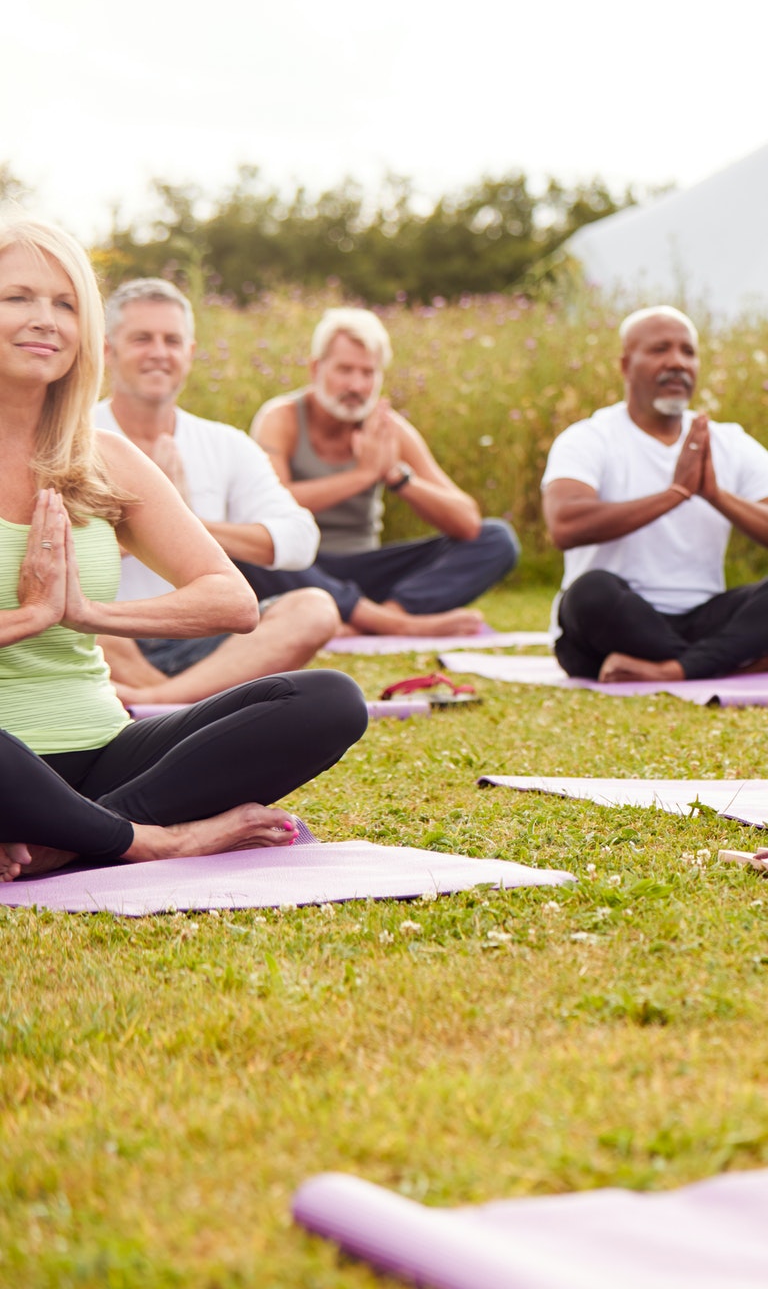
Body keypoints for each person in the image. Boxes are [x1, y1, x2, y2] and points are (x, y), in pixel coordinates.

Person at [0, 218, 366, 880]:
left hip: (101, 749)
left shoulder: (101, 456)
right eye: (17, 297)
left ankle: (75, 836)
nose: (45, 320)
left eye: (65, 303)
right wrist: (30, 617)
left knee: (329, 700)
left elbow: (232, 600)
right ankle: (155, 840)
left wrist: (86, 612)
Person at [91, 278, 339, 703]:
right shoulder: (74, 439)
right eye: (141, 339)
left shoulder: (225, 443)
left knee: (315, 609)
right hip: (111, 634)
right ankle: (186, 702)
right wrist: (142, 524)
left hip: (204, 640)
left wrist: (181, 519)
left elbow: (300, 538)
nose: (158, 352)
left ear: (189, 353)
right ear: (108, 350)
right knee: (72, 621)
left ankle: (155, 701)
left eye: (172, 340)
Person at [541, 306, 768, 682]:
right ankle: (727, 661)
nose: (677, 362)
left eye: (688, 352)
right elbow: (565, 525)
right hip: (614, 626)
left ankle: (674, 669)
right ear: (626, 365)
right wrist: (675, 493)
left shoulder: (730, 442)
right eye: (660, 349)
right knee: (589, 592)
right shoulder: (588, 438)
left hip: (702, 618)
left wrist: (717, 496)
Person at [242, 309, 519, 636]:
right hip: (302, 567)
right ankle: (393, 625)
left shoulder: (389, 429)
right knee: (241, 546)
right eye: (345, 370)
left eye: (368, 373)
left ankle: (380, 618)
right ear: (316, 368)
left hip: (367, 568)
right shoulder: (281, 418)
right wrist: (361, 476)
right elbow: (267, 504)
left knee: (497, 539)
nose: (356, 385)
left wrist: (397, 477)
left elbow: (467, 522)